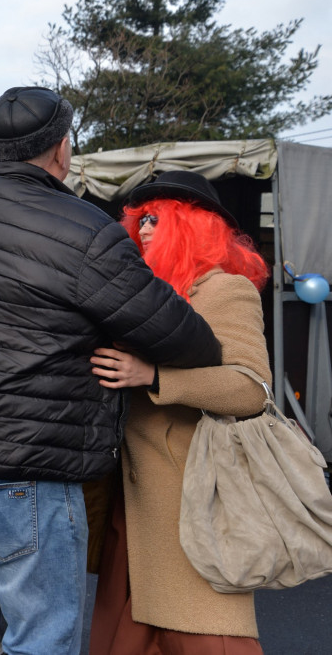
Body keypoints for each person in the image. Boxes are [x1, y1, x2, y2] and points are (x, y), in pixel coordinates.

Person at [0, 86, 225, 655]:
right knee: (41, 639)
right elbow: (185, 337)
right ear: (61, 148)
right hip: (22, 473)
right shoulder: (86, 232)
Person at [88, 171, 270, 654]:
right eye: (136, 219)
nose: (141, 229)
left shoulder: (225, 290)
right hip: (131, 504)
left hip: (192, 504)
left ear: (193, 226)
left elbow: (251, 390)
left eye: (154, 218)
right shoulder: (141, 296)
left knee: (206, 638)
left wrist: (155, 377)